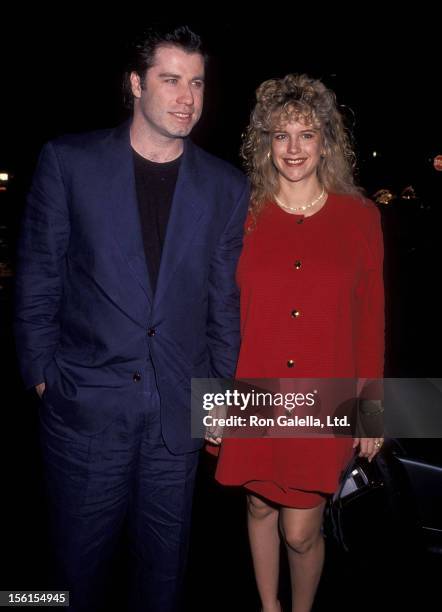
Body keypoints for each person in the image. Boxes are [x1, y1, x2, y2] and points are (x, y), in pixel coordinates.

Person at [14, 24, 249, 612]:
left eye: (196, 83)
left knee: (163, 578)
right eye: (171, 80)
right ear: (136, 84)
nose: (186, 97)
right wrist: (42, 374)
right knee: (70, 575)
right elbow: (39, 277)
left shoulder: (225, 186)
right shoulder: (69, 161)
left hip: (176, 419)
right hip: (84, 405)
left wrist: (218, 402)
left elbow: (223, 303)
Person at [213, 74, 385, 612]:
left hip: (322, 397)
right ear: (264, 142)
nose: (293, 149)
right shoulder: (239, 217)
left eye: (306, 135)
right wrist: (212, 404)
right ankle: (268, 607)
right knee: (258, 508)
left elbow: (372, 320)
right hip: (252, 384)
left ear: (326, 142)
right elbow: (215, 315)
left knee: (301, 533)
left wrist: (373, 413)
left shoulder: (360, 218)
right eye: (281, 135)